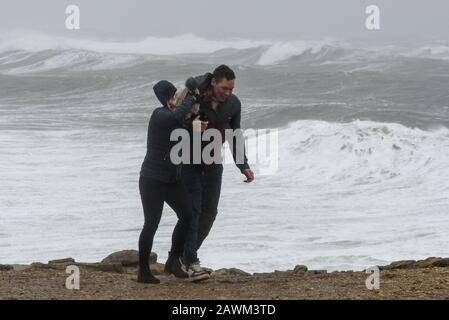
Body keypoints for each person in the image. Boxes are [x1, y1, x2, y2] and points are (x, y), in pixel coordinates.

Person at [182, 65, 255, 275]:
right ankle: (190, 262)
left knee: (209, 213)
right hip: (189, 163)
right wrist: (192, 126)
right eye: (224, 88)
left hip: (214, 165)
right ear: (214, 82)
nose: (228, 93)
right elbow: (175, 123)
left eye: (231, 89)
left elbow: (235, 135)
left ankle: (184, 257)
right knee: (192, 213)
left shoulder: (232, 104)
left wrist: (244, 165)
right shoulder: (195, 97)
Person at [137, 79, 200, 284]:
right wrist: (190, 96)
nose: (176, 99)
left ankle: (173, 260)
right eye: (173, 96)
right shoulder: (160, 115)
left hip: (173, 179)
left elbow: (185, 133)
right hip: (152, 179)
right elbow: (175, 118)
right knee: (151, 224)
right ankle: (143, 271)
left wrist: (196, 125)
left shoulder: (177, 118)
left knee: (187, 216)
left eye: (177, 95)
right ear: (166, 99)